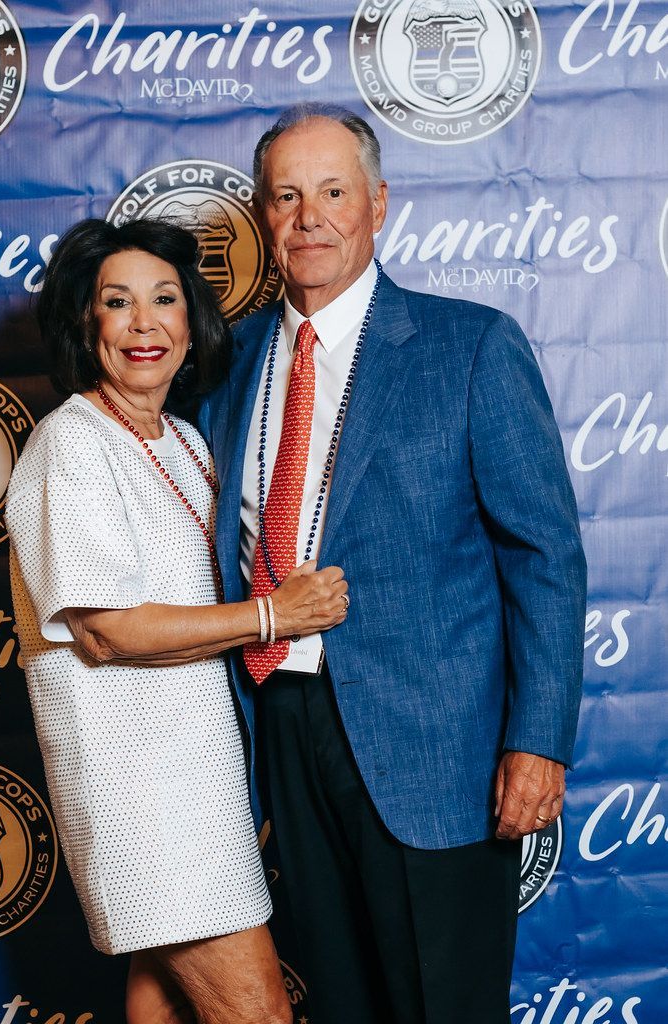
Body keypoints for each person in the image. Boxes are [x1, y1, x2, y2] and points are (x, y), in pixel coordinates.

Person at [199, 104, 587, 1024]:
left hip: (434, 746)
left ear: (379, 204)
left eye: (333, 192)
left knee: (441, 1003)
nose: (310, 217)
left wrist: (536, 739)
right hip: (279, 723)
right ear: (261, 216)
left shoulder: (468, 344)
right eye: (286, 196)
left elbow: (544, 554)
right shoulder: (225, 361)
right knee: (337, 1000)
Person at [5, 217, 349, 1024]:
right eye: (115, 303)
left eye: (163, 300)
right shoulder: (72, 444)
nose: (143, 323)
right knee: (256, 1014)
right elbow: (108, 629)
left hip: (199, 779)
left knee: (159, 1005)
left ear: (192, 323)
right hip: (142, 795)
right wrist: (272, 615)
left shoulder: (184, 440)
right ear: (85, 326)